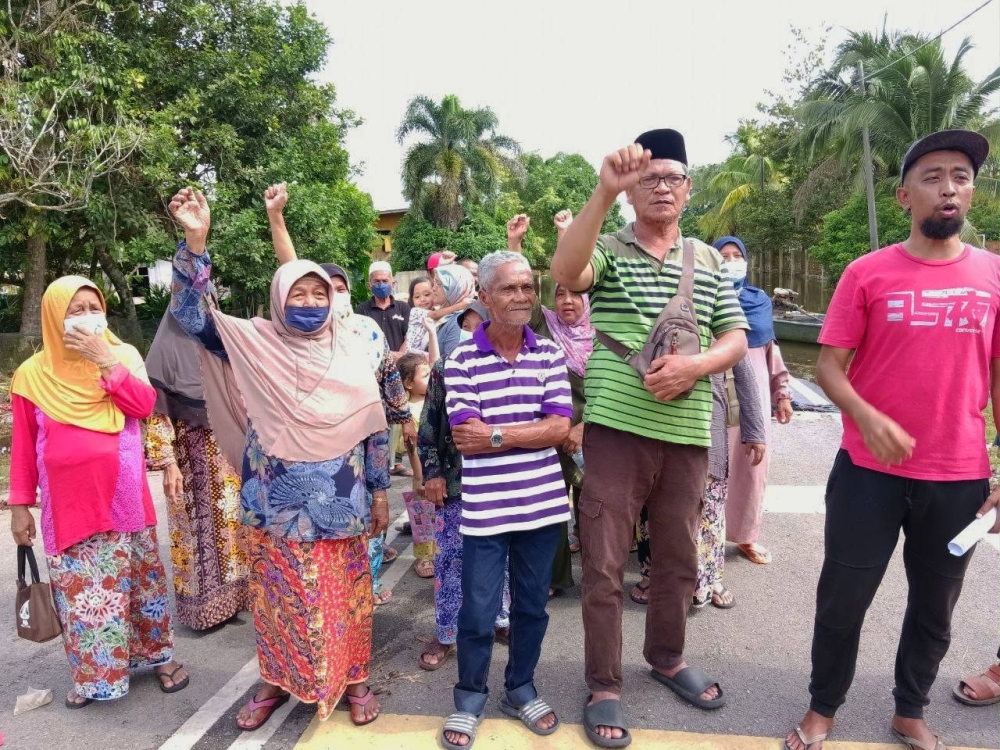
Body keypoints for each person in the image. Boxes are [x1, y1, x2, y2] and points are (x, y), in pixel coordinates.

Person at [784, 129, 1000, 750]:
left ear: (972, 191)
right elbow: (828, 365)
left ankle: (910, 707)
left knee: (936, 609)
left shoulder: (992, 276)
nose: (948, 187)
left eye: (960, 175)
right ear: (905, 196)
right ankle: (822, 708)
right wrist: (866, 417)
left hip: (958, 478)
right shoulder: (867, 272)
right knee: (843, 599)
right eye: (932, 177)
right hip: (867, 473)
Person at [551, 131, 749, 747]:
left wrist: (696, 366)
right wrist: (602, 191)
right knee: (606, 564)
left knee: (677, 559)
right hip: (616, 431)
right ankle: (605, 684)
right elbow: (566, 271)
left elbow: (735, 337)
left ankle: (666, 657)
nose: (661, 186)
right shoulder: (608, 247)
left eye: (673, 178)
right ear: (633, 191)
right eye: (648, 178)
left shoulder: (709, 260)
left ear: (689, 190)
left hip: (688, 433)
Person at [167, 187, 389, 731]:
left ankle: (354, 678)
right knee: (277, 601)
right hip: (274, 508)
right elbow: (193, 316)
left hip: (344, 503)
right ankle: (275, 679)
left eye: (320, 294)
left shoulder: (351, 348)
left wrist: (381, 491)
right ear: (278, 299)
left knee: (347, 600)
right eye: (299, 293)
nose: (310, 302)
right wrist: (196, 242)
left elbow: (375, 430)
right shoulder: (255, 342)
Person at [8, 276, 189, 709]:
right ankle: (94, 677)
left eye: (94, 305)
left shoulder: (123, 354)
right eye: (75, 309)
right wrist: (19, 506)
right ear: (55, 317)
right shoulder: (32, 375)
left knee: (142, 586)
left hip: (124, 498)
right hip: (68, 505)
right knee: (81, 596)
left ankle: (159, 658)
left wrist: (106, 361)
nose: (88, 315)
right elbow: (22, 447)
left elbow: (143, 406)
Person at [440, 251, 572, 749]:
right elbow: (464, 435)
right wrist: (527, 432)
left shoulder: (549, 354)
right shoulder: (462, 358)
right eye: (509, 289)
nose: (521, 297)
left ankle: (520, 687)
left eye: (526, 288)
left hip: (541, 507)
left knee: (533, 607)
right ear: (485, 297)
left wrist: (497, 434)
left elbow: (560, 427)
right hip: (486, 511)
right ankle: (469, 697)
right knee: (477, 611)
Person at [417, 300, 511, 673]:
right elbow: (428, 428)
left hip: (504, 483)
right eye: (469, 326)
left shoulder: (515, 366)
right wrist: (433, 473)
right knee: (451, 559)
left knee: (503, 559)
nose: (476, 333)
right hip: (457, 482)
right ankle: (446, 632)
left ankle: (500, 621)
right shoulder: (446, 367)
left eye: (482, 324)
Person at [509, 209, 586, 593]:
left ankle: (600, 577)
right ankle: (555, 579)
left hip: (597, 430)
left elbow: (622, 383)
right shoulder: (547, 327)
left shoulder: (605, 332)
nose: (568, 300)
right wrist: (515, 245)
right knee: (554, 507)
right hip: (553, 431)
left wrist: (585, 427)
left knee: (595, 508)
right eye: (561, 294)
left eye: (576, 294)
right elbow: (523, 297)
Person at [713, 236, 793, 565]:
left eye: (737, 256)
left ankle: (746, 536)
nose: (732, 262)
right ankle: (707, 537)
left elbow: (772, 351)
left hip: (754, 400)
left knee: (751, 470)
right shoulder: (703, 298)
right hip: (715, 397)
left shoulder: (759, 301)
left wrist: (782, 394)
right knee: (712, 470)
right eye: (724, 257)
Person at [397, 352, 434, 579]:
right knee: (423, 517)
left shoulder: (434, 400)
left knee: (439, 515)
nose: (431, 379)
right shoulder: (408, 412)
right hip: (422, 471)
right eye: (425, 376)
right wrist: (420, 477)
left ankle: (438, 552)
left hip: (438, 468)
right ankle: (423, 558)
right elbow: (412, 449)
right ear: (408, 384)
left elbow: (437, 358)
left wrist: (432, 332)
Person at [354, 260, 411, 354]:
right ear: (369, 285)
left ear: (393, 284)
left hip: (400, 362)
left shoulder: (404, 308)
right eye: (376, 281)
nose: (381, 285)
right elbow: (361, 339)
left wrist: (399, 356)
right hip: (374, 362)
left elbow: (409, 337)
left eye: (385, 281)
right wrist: (386, 356)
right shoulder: (362, 309)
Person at [433, 264, 478, 359]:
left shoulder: (459, 322)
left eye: (438, 283)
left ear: (455, 288)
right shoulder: (444, 315)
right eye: (434, 282)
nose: (434, 288)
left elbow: (452, 362)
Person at [405, 276, 440, 362]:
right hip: (413, 356)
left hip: (424, 355)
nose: (422, 299)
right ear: (412, 299)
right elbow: (435, 315)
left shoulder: (437, 309)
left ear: (434, 293)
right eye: (417, 297)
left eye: (427, 294)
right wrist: (460, 306)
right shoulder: (415, 311)